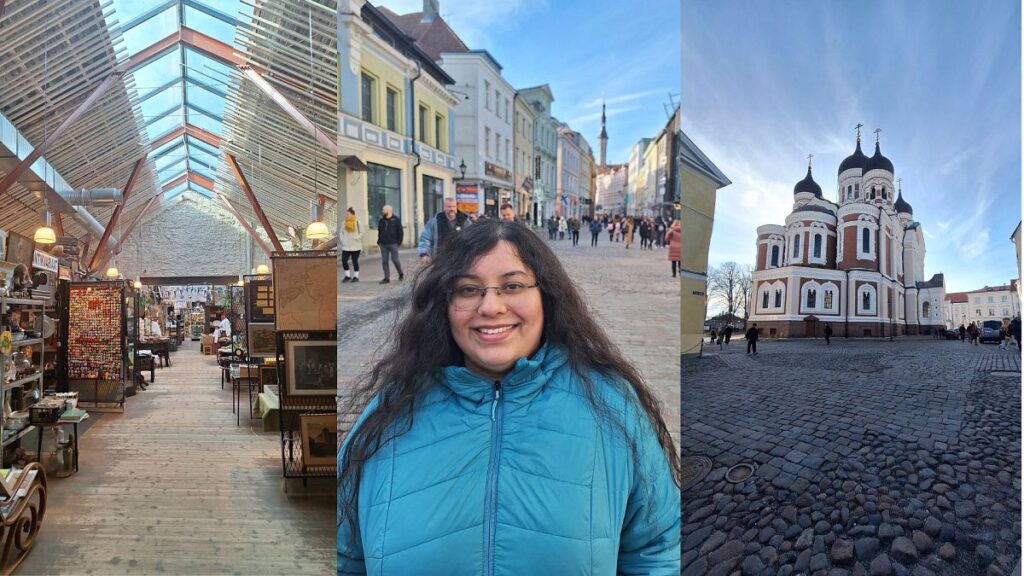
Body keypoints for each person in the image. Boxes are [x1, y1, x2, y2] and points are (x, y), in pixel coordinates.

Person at [338, 220, 681, 574]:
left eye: (512, 285)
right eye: (468, 289)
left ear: (546, 296)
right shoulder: (390, 414)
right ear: (445, 303)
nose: (490, 306)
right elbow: (343, 556)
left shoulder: (611, 405)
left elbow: (657, 550)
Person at [418, 198, 471, 265]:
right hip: (439, 261)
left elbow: (472, 239)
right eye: (449, 207)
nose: (452, 209)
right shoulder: (435, 222)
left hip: (460, 261)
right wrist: (424, 254)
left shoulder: (465, 222)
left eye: (454, 206)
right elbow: (425, 238)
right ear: (444, 208)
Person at [376, 204, 404, 284]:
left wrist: (399, 242)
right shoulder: (381, 220)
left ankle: (401, 273)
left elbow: (400, 232)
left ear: (388, 211)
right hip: (383, 244)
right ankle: (386, 278)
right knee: (384, 261)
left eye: (383, 210)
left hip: (393, 243)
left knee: (395, 259)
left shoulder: (396, 220)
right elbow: (379, 231)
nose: (382, 211)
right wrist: (379, 241)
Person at [341, 207, 363, 283]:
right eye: (346, 214)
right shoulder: (344, 222)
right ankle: (347, 276)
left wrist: (357, 238)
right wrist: (342, 240)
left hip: (356, 246)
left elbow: (362, 232)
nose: (346, 215)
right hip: (346, 246)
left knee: (354, 261)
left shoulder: (358, 222)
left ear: (352, 215)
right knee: (344, 260)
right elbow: (341, 232)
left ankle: (356, 277)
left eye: (348, 214)